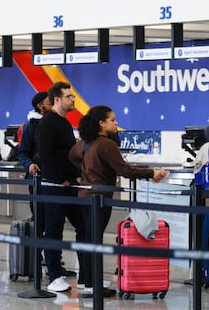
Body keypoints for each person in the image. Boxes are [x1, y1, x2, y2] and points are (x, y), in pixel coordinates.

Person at [68, 105, 168, 298]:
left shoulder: (86, 143)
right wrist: (152, 173)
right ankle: (93, 285)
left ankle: (89, 282)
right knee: (95, 240)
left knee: (88, 239)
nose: (116, 123)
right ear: (101, 123)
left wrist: (84, 173)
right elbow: (125, 170)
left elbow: (72, 156)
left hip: (84, 196)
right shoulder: (106, 144)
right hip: (100, 198)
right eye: (113, 120)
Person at [19, 91, 78, 277]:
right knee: (42, 223)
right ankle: (34, 264)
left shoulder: (58, 123)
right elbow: (23, 152)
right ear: (40, 106)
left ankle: (55, 264)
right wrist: (30, 164)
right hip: (40, 181)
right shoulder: (31, 127)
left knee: (55, 224)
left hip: (57, 181)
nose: (51, 104)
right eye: (47, 102)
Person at [37, 82, 85, 293]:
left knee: (84, 225)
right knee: (54, 230)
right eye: (68, 96)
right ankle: (55, 275)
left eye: (73, 96)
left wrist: (75, 176)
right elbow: (46, 155)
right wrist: (60, 179)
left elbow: (67, 154)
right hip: (54, 186)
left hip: (69, 185)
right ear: (57, 99)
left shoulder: (65, 123)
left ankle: (87, 275)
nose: (73, 99)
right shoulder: (48, 122)